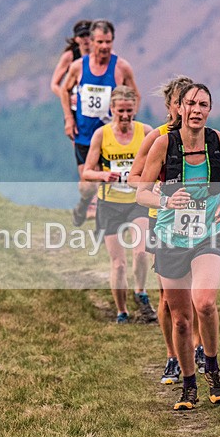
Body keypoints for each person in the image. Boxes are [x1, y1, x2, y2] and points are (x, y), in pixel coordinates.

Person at [136, 83, 220, 410]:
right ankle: (188, 383)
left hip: (207, 233)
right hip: (170, 237)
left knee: (206, 303)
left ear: (209, 110)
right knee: (180, 319)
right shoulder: (162, 144)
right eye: (191, 104)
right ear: (179, 108)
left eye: (204, 105)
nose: (197, 110)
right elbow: (141, 192)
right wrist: (167, 200)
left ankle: (211, 367)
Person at [128, 75, 204, 385]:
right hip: (162, 219)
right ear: (170, 105)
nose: (185, 109)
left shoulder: (203, 137)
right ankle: (173, 355)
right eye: (179, 103)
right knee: (167, 297)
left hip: (197, 220)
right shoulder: (157, 138)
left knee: (199, 290)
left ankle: (198, 348)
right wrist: (163, 192)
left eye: (191, 102)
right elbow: (135, 178)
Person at [82, 86, 157, 324]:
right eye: (120, 111)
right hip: (110, 204)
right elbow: (87, 171)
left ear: (135, 108)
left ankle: (141, 291)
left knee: (142, 251)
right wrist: (103, 176)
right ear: (112, 109)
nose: (125, 116)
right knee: (118, 263)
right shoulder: (101, 135)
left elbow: (160, 161)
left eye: (129, 111)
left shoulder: (146, 132)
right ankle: (121, 311)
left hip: (137, 201)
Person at [59, 20, 139, 227]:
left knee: (108, 180)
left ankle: (104, 227)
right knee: (87, 185)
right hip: (84, 134)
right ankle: (85, 204)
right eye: (100, 42)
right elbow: (64, 90)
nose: (104, 46)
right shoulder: (78, 67)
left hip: (110, 136)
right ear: (91, 42)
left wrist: (128, 122)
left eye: (109, 42)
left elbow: (135, 95)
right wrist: (69, 118)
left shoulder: (121, 67)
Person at [49, 19, 91, 99]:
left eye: (88, 34)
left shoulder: (103, 55)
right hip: (76, 104)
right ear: (76, 39)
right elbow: (54, 85)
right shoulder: (69, 56)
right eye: (82, 36)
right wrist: (69, 99)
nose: (85, 39)